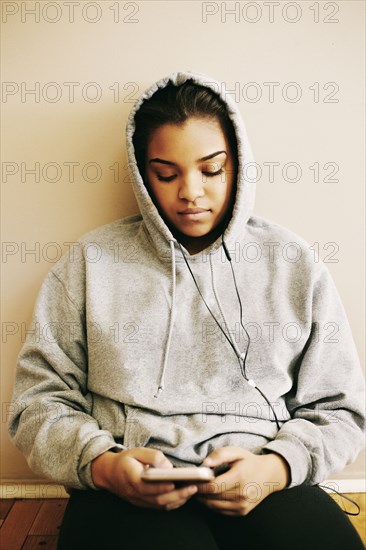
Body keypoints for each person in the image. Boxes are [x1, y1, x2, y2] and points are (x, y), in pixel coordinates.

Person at [8, 71, 365, 550]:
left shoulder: (293, 261)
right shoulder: (91, 262)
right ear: (141, 173)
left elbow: (341, 408)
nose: (191, 192)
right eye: (167, 173)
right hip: (124, 482)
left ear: (239, 165)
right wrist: (104, 465)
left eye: (211, 170)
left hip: (265, 474)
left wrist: (278, 467)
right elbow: (37, 403)